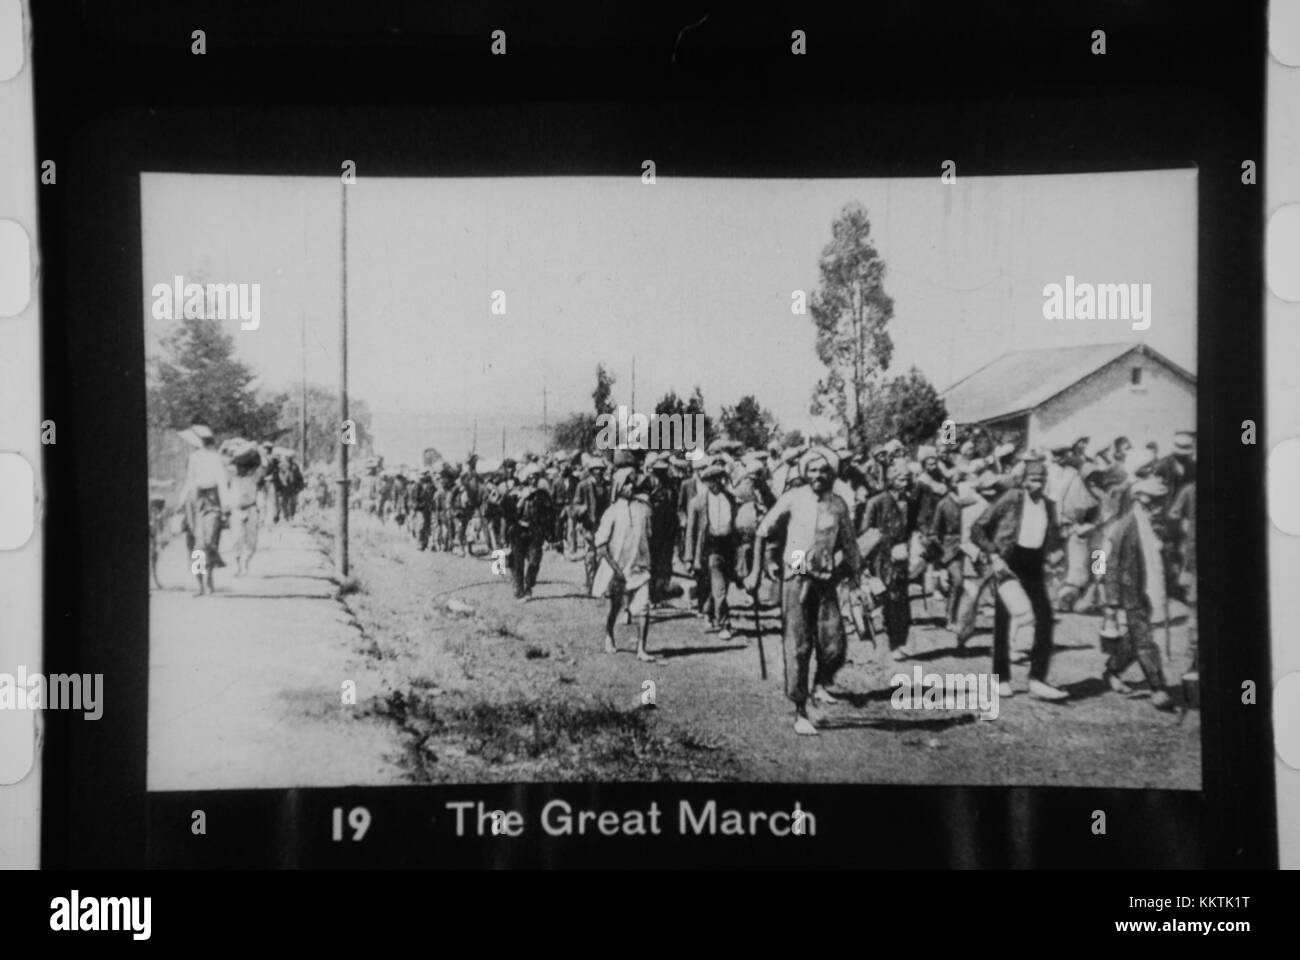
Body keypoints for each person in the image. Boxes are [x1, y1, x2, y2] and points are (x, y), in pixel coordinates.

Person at [748, 447, 862, 736]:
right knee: (799, 644)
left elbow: (849, 544)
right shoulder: (793, 498)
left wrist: (857, 575)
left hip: (826, 576)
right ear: (804, 473)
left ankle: (817, 687)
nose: (818, 476)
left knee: (834, 644)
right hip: (796, 570)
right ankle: (800, 708)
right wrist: (756, 570)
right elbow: (762, 531)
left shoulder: (839, 505)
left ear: (832, 474)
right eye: (812, 470)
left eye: (824, 471)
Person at [970, 459, 1069, 700]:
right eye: (1034, 480)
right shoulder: (1012, 498)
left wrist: (1056, 551)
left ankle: (1037, 679)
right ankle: (1000, 679)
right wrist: (993, 554)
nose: (1039, 484)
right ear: (1024, 481)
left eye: (1042, 480)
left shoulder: (1048, 504)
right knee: (1003, 621)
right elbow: (978, 528)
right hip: (1009, 561)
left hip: (1034, 563)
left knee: (1045, 618)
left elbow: (1053, 536)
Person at [1100, 476, 1178, 710]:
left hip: (1151, 589)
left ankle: (1112, 670)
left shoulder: (1156, 525)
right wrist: (1109, 601)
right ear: (1140, 501)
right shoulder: (1122, 526)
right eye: (1153, 502)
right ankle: (1158, 687)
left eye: (1161, 501)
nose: (1158, 506)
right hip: (1130, 590)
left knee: (1135, 638)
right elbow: (1105, 562)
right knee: (1144, 638)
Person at [592, 466, 657, 661]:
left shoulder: (643, 510)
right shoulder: (611, 512)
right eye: (626, 483)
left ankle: (641, 649)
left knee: (643, 608)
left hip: (639, 567)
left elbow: (649, 536)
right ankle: (609, 635)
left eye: (632, 483)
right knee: (616, 606)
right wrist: (615, 569)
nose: (630, 486)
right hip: (617, 569)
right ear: (619, 486)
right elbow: (601, 546)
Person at [863, 461, 914, 660]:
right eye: (901, 478)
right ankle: (893, 644)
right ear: (891, 480)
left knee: (902, 600)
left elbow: (910, 529)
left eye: (907, 478)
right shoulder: (876, 502)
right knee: (890, 600)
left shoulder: (908, 501)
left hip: (901, 556)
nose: (905, 482)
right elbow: (866, 532)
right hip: (881, 557)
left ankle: (901, 641)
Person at [684, 462, 740, 639]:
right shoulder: (698, 502)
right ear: (706, 482)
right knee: (719, 587)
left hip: (728, 547)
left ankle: (708, 613)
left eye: (718, 480)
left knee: (718, 585)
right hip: (710, 548)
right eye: (710, 481)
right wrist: (689, 557)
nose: (715, 484)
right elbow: (691, 531)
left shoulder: (730, 498)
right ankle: (725, 623)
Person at [179, 423, 231, 596]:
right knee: (196, 546)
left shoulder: (215, 458)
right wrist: (181, 502)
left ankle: (209, 577)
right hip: (194, 501)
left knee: (208, 542)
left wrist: (225, 504)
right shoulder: (193, 458)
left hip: (212, 500)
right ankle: (200, 584)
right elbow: (189, 480)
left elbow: (222, 481)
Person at [508, 463, 551, 601]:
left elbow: (549, 513)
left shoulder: (543, 494)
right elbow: (511, 511)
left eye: (536, 477)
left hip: (535, 531)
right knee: (517, 562)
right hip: (519, 530)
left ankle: (529, 583)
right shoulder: (517, 492)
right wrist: (522, 498)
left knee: (535, 560)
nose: (534, 480)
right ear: (526, 478)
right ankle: (519, 590)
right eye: (531, 477)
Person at [573, 456, 611, 595]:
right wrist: (581, 509)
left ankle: (602, 585)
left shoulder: (608, 485)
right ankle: (590, 583)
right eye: (595, 469)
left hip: (605, 523)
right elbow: (575, 504)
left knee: (604, 555)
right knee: (590, 555)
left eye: (600, 469)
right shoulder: (583, 485)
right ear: (590, 471)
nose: (598, 472)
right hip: (589, 523)